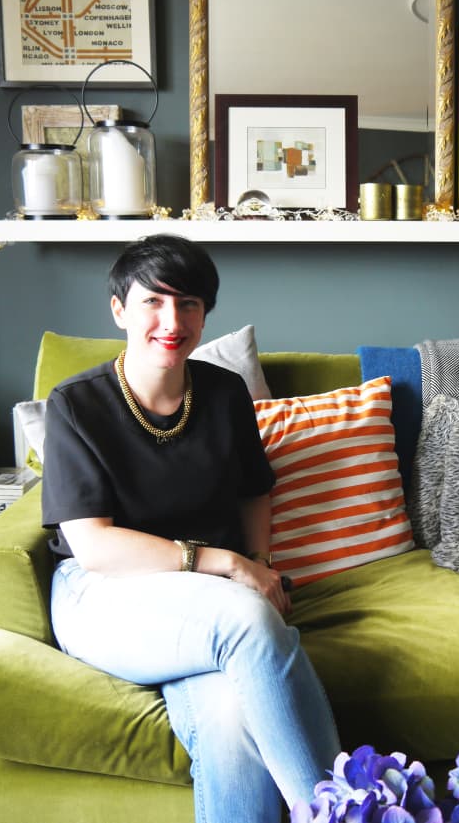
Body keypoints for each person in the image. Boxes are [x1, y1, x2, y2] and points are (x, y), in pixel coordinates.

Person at [42, 233, 340, 823]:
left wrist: (259, 558)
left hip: (203, 603)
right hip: (103, 593)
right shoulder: (76, 404)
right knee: (246, 617)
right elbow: (95, 545)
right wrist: (234, 565)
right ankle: (346, 811)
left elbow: (256, 489)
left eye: (189, 304)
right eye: (153, 301)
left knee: (231, 721)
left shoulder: (224, 392)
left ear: (205, 313)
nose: (171, 320)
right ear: (119, 309)